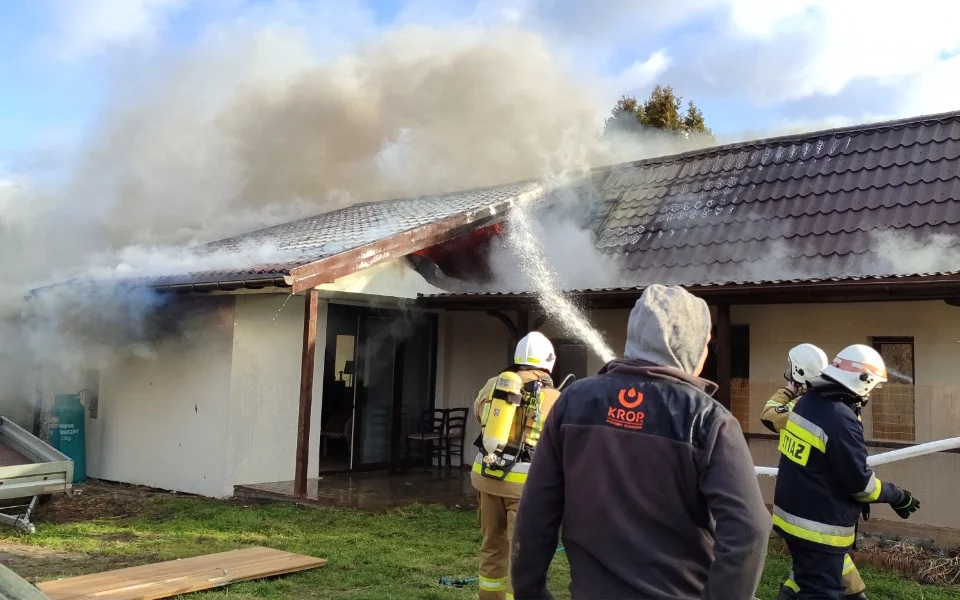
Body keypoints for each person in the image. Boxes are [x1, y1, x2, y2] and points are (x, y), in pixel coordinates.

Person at [510, 284, 770, 600]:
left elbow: (536, 511)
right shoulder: (709, 420)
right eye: (707, 345)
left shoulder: (572, 402)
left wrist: (530, 591)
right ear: (694, 349)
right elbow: (749, 529)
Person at [773, 344, 920, 599]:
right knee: (822, 592)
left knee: (804, 579)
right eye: (872, 386)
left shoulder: (807, 402)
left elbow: (818, 463)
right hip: (818, 529)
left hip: (793, 518)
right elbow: (862, 487)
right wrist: (898, 496)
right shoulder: (840, 419)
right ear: (863, 381)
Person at [761, 344, 869, 600]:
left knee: (817, 567)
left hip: (810, 509)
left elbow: (768, 415)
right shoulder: (841, 407)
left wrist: (788, 390)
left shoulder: (802, 407)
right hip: (827, 509)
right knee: (821, 565)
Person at [471, 331, 562, 600]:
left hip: (487, 478)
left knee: (492, 545)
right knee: (519, 554)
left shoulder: (494, 385)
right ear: (548, 362)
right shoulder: (553, 396)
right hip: (523, 488)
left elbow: (479, 415)